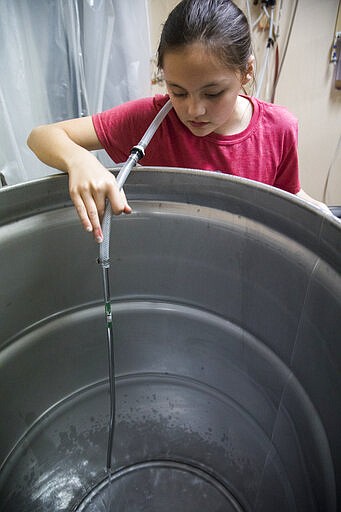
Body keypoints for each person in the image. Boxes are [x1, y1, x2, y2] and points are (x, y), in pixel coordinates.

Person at [27, 0, 330, 244]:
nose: (194, 110)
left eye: (213, 93)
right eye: (178, 91)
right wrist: (80, 161)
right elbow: (41, 136)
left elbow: (287, 194)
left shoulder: (279, 128)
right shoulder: (152, 121)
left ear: (246, 72)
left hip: (244, 260)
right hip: (175, 253)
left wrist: (318, 212)